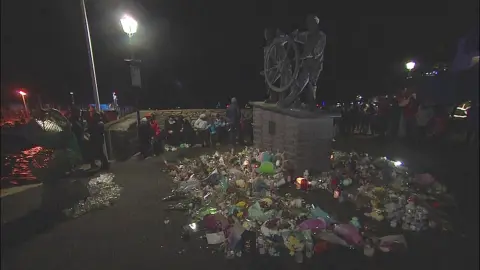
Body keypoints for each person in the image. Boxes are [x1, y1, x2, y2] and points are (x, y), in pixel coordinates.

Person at [280, 15, 326, 111]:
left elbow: (317, 52)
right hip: (306, 65)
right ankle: (287, 102)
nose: (309, 26)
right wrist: (289, 37)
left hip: (315, 66)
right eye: (308, 24)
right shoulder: (307, 35)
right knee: (300, 84)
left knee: (311, 85)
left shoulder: (321, 36)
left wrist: (304, 56)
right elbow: (296, 37)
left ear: (316, 25)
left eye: (311, 23)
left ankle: (312, 106)